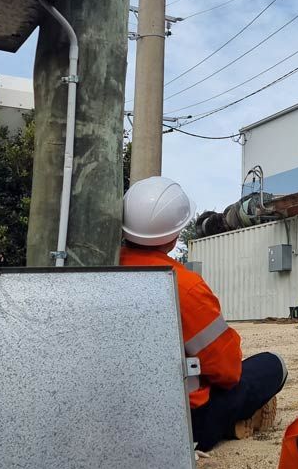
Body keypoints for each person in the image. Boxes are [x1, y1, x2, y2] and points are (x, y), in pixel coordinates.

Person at [119, 176, 287, 451]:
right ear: (174, 237)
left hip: (119, 416)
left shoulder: (99, 270)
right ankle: (232, 423)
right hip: (185, 422)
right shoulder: (184, 286)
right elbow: (228, 371)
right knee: (273, 365)